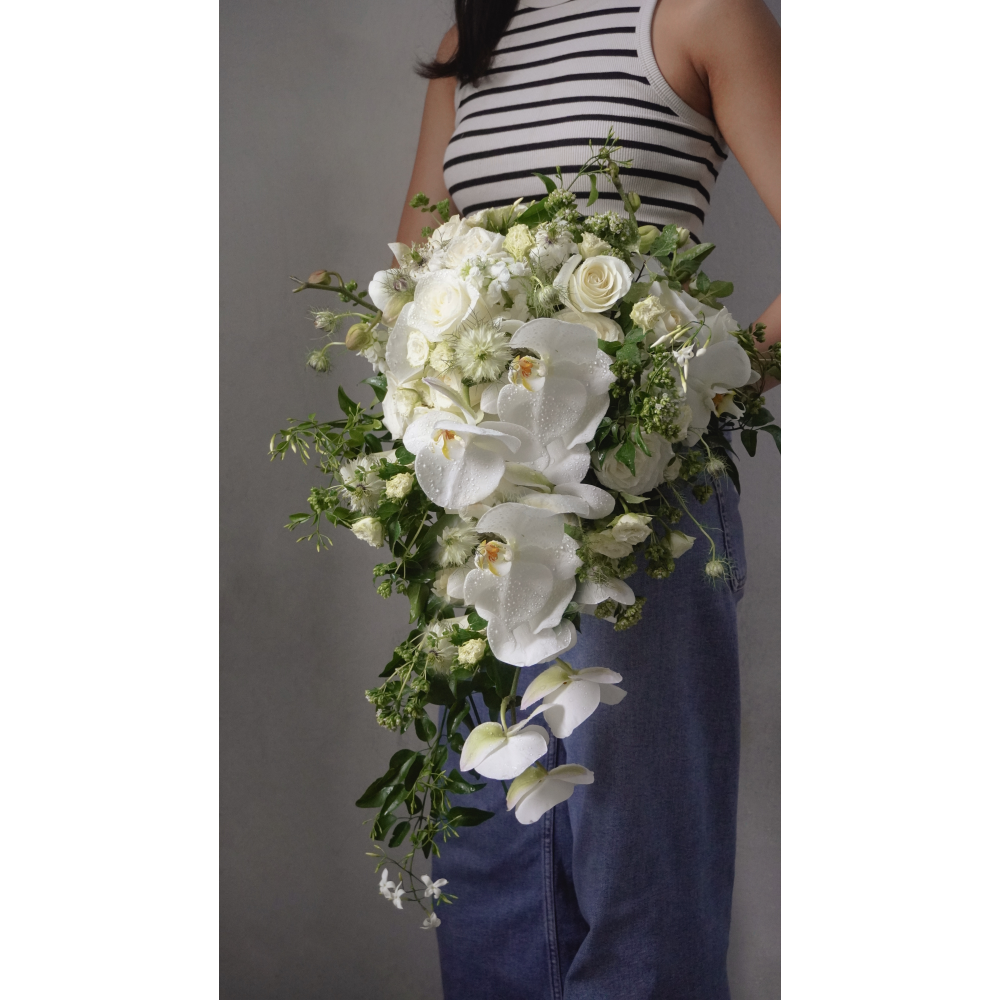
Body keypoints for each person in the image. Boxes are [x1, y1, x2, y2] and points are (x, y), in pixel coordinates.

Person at [395, 2, 780, 997]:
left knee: (636, 874)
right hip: (478, 520)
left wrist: (687, 406)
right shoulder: (467, 45)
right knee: (487, 869)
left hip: (641, 511)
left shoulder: (698, 13)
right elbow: (412, 275)